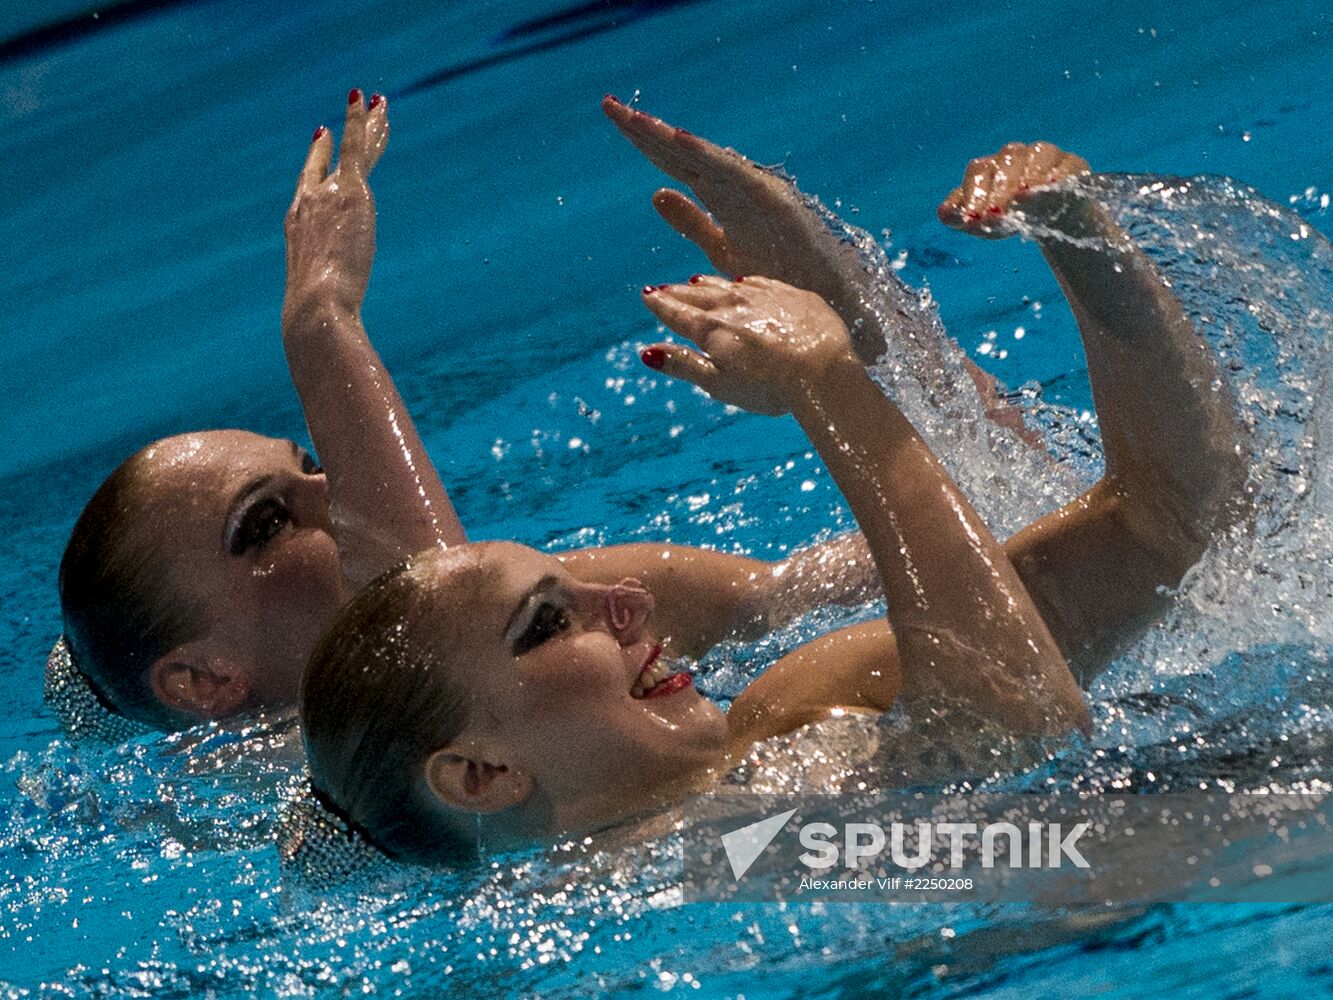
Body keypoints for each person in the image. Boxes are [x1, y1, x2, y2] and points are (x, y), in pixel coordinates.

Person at [296, 135, 1249, 867]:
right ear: (481, 777)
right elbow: (1018, 738)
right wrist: (829, 388)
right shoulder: (678, 882)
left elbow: (1168, 529)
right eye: (549, 621)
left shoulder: (800, 703)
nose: (627, 598)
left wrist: (1081, 237)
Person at [49, 93, 893, 737]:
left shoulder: (583, 608)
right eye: (265, 523)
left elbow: (967, 565)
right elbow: (441, 671)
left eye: (309, 462)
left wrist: (859, 348)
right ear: (202, 680)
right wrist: (321, 323)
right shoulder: (261, 794)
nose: (338, 482)